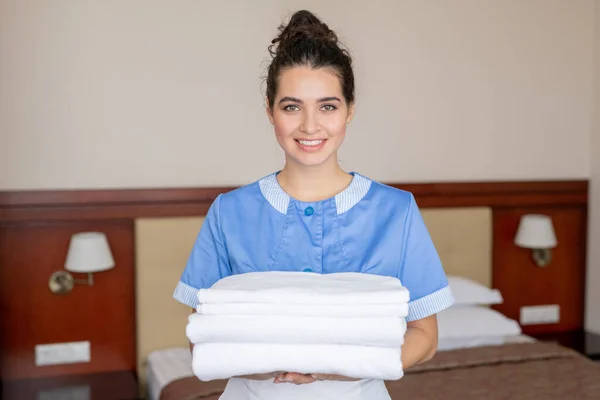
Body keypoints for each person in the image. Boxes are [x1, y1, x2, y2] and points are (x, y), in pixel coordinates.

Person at [173, 9, 454, 400]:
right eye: (291, 106)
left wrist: (336, 371)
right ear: (270, 111)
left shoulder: (397, 211)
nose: (309, 126)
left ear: (349, 110)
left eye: (327, 106)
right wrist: (278, 366)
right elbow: (201, 336)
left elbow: (425, 336)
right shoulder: (229, 212)